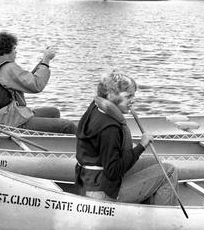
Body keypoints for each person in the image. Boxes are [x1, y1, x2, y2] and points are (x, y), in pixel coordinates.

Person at [75, 70, 179, 205]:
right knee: (169, 171)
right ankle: (165, 219)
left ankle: (145, 206)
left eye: (133, 96)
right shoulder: (110, 128)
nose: (132, 100)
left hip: (88, 181)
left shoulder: (96, 107)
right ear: (111, 95)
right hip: (102, 191)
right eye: (128, 96)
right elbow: (113, 171)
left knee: (155, 162)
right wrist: (141, 146)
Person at [0, 32, 76, 133]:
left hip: (8, 116)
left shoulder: (2, 66)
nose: (16, 52)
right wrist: (46, 60)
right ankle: (84, 147)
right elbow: (36, 85)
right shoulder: (8, 68)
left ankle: (49, 142)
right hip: (12, 121)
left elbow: (24, 81)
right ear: (5, 51)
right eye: (14, 49)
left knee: (53, 112)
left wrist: (43, 61)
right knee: (68, 125)